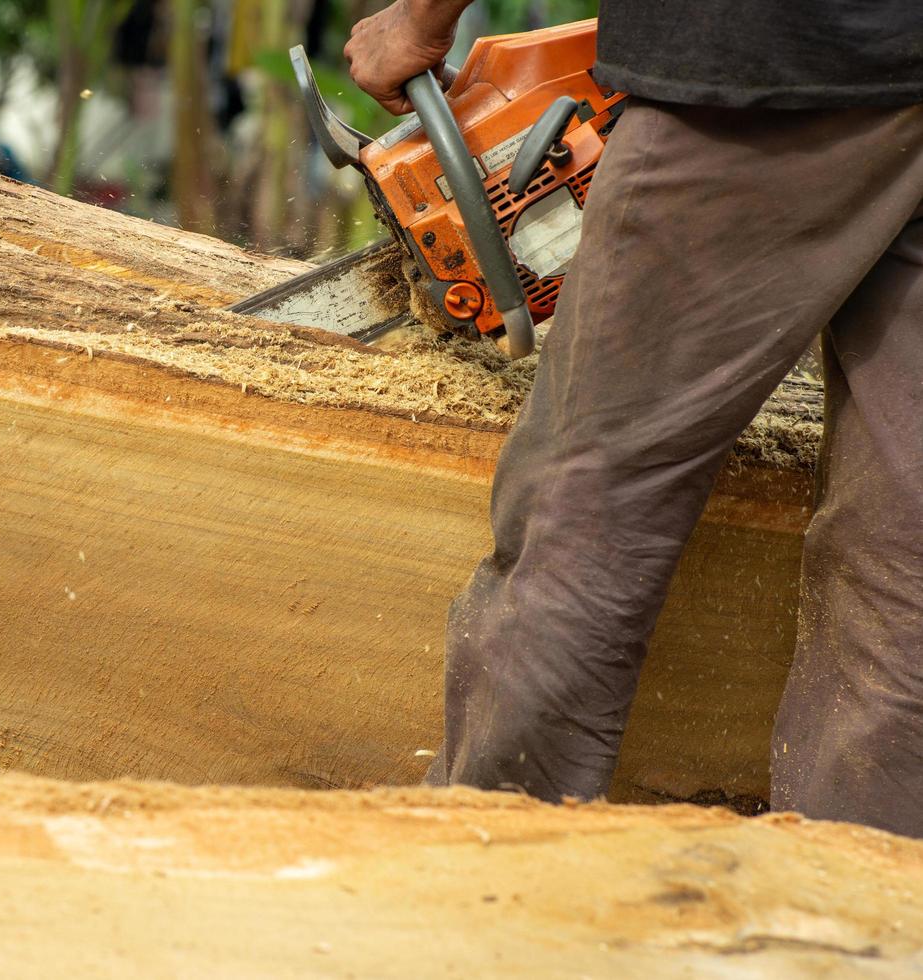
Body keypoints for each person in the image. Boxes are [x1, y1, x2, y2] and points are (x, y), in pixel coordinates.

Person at [344, 0, 923, 837]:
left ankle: (485, 866)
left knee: (589, 504)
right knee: (905, 554)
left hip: (780, 60)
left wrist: (422, 17)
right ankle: (865, 911)